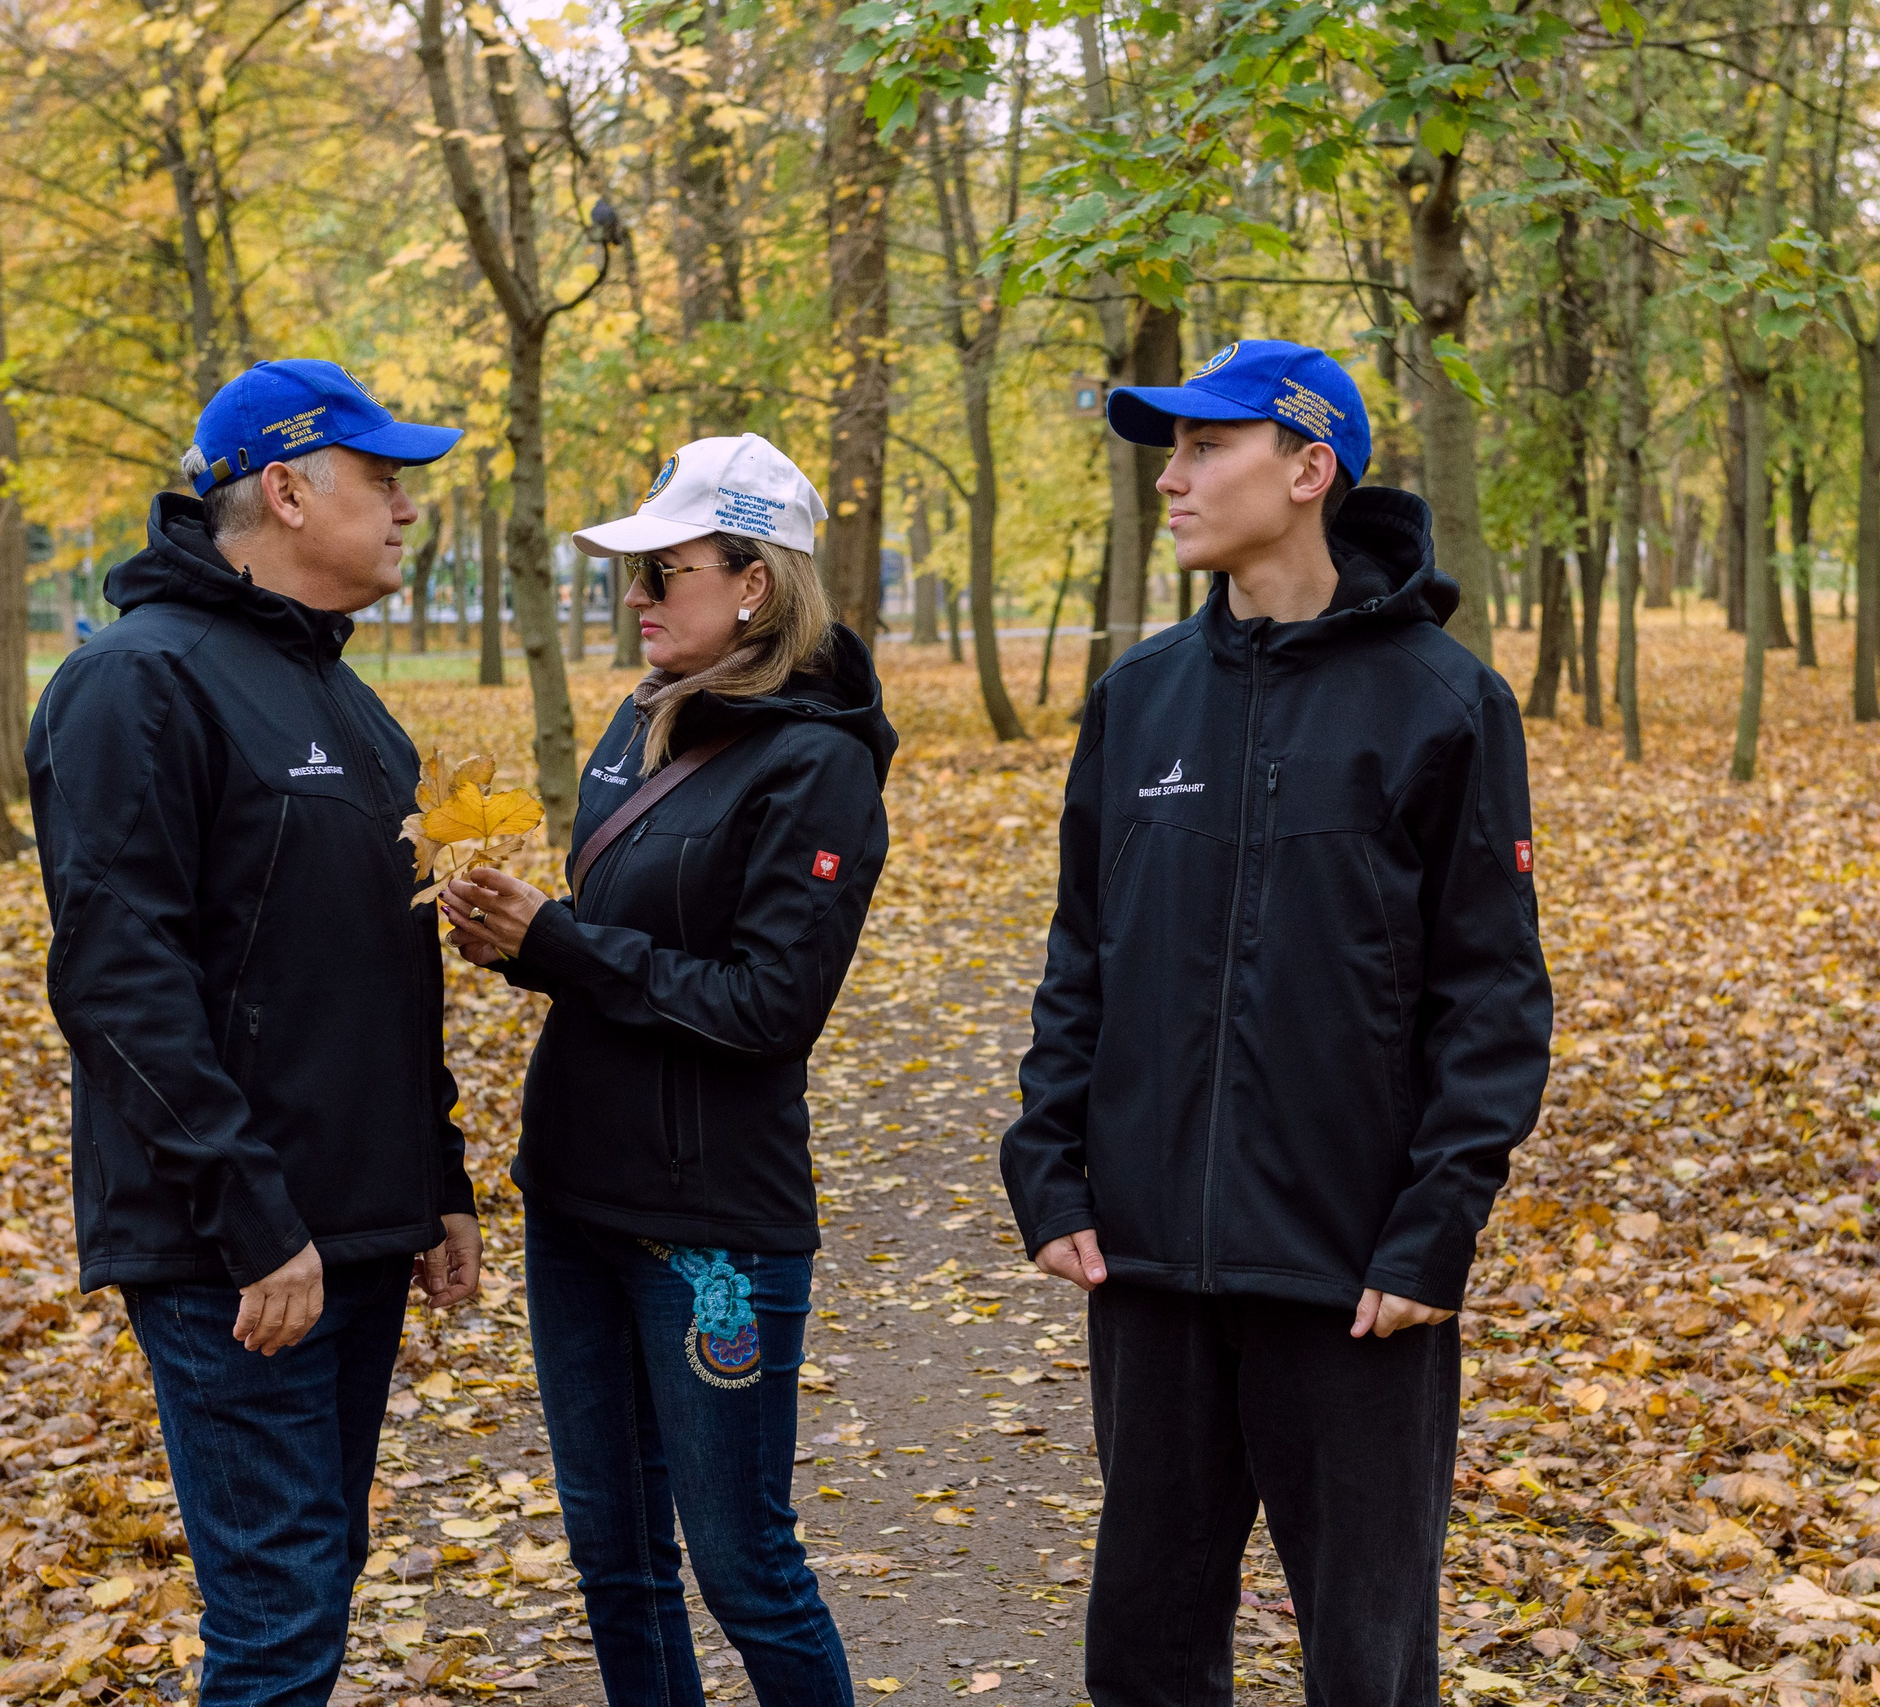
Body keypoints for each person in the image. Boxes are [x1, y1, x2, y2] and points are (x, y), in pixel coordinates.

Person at [1001, 340, 1555, 1705]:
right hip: (1152, 1274)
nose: (1172, 478)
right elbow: (1086, 951)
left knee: (1368, 1665)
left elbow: (1492, 994)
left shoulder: (1444, 703)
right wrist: (1049, 1161)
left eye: (1206, 448)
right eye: (1168, 451)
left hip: (1355, 1282)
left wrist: (1436, 1228)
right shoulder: (1139, 700)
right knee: (1141, 1650)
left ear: (1309, 469)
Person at [27, 359, 483, 1706]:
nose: (408, 508)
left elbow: (378, 966)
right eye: (383, 477)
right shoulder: (133, 683)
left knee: (313, 1577)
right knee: (278, 1613)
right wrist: (250, 1214)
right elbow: (119, 976)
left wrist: (435, 1179)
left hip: (350, 1223)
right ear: (284, 488)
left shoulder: (348, 700)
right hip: (235, 1247)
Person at [441, 434, 892, 1707]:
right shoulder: (636, 727)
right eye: (629, 573)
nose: (635, 597)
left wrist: (564, 941)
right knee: (615, 1561)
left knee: (744, 1565)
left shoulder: (818, 764)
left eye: (662, 570)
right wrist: (515, 940)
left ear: (752, 582)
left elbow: (769, 1007)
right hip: (576, 1199)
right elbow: (611, 954)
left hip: (709, 1230)